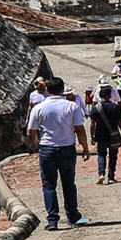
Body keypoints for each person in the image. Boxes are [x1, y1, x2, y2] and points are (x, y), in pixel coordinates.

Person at [25, 76, 91, 231]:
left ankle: (52, 219)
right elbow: (79, 129)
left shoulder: (39, 108)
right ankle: (73, 215)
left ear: (47, 90)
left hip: (47, 148)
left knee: (48, 185)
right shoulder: (71, 106)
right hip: (67, 147)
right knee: (68, 183)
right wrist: (85, 147)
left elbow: (30, 131)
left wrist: (36, 144)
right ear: (62, 90)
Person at [87, 84, 121, 185]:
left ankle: (101, 173)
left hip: (100, 135)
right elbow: (120, 121)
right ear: (110, 96)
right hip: (113, 135)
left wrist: (92, 136)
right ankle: (111, 176)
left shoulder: (95, 108)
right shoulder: (115, 107)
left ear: (100, 96)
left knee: (101, 155)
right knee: (113, 156)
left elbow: (92, 124)